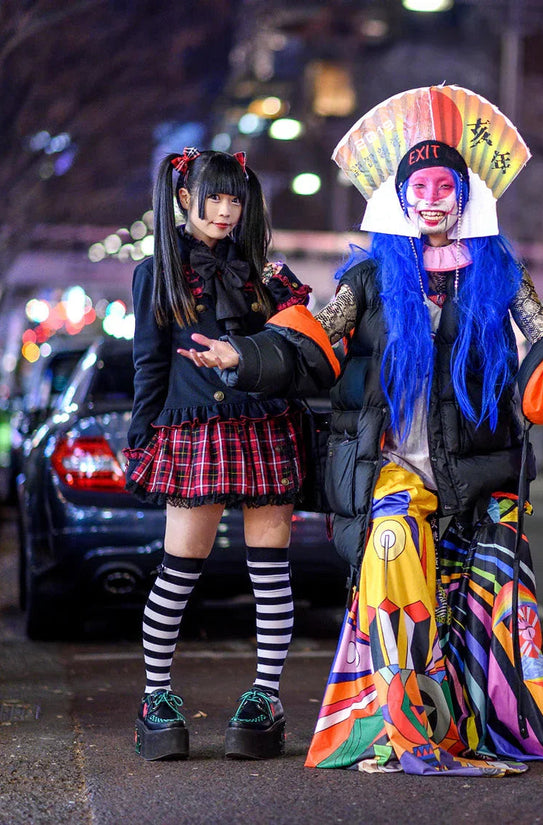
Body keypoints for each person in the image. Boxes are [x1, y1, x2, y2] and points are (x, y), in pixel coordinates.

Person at [179, 86, 543, 776]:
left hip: (480, 467)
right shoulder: (368, 278)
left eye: (445, 186)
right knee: (393, 542)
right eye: (419, 187)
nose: (432, 198)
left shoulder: (495, 270)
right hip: (393, 465)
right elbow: (312, 346)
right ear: (401, 199)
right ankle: (407, 723)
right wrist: (241, 355)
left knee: (489, 582)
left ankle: (483, 718)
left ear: (464, 195)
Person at [124, 148, 312, 761]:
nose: (226, 211)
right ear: (184, 198)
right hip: (193, 430)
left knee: (270, 570)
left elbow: (295, 357)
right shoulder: (159, 272)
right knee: (179, 569)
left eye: (236, 199)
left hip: (261, 423)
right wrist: (141, 437)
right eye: (214, 198)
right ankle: (156, 698)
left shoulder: (268, 275)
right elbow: (148, 366)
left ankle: (263, 698)